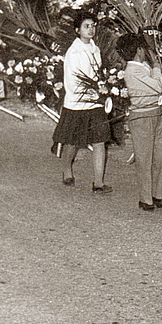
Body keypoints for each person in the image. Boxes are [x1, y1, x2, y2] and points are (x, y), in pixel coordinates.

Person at [53, 12, 112, 193]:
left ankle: (98, 183)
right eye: (87, 26)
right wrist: (95, 90)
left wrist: (103, 86)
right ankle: (66, 168)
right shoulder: (74, 52)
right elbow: (73, 82)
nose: (91, 29)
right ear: (77, 30)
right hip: (77, 103)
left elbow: (98, 74)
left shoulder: (95, 49)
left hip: (95, 103)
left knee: (99, 140)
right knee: (72, 142)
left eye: (93, 25)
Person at [123, 36, 162, 209]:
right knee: (144, 158)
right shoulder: (133, 70)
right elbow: (157, 86)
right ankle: (145, 198)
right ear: (139, 51)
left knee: (160, 156)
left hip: (157, 112)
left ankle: (157, 194)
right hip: (142, 117)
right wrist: (157, 67)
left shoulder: (143, 67)